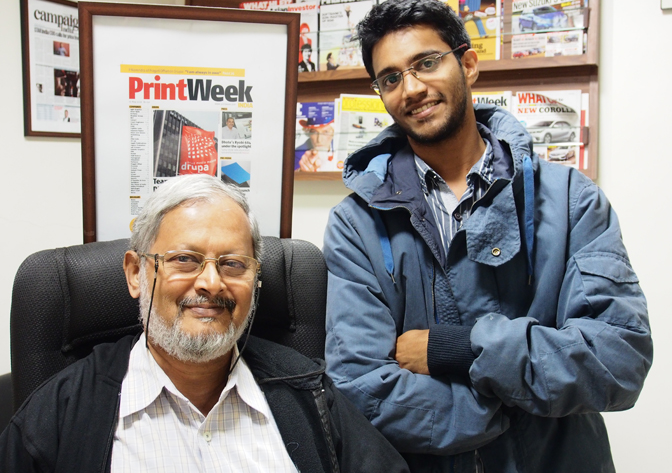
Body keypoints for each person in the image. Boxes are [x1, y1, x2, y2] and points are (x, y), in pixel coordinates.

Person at [323, 0, 653, 473]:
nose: (411, 88)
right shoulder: (356, 224)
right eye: (391, 78)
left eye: (426, 63)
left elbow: (618, 360)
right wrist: (509, 409)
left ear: (468, 65)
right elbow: (360, 387)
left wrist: (460, 349)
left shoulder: (570, 199)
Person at [1, 175, 410, 473]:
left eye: (233, 264)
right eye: (185, 259)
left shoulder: (309, 390)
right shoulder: (60, 411)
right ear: (136, 273)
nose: (212, 283)